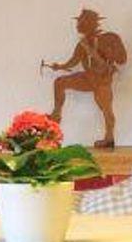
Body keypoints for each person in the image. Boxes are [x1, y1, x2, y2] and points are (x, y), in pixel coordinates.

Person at [44, 8, 126, 148]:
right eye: (78, 23)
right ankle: (56, 114)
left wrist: (91, 50)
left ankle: (109, 137)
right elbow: (74, 61)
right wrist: (60, 66)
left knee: (106, 109)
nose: (78, 26)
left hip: (102, 80)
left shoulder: (108, 39)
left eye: (81, 23)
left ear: (90, 23)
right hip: (88, 77)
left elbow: (118, 60)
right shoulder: (82, 44)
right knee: (60, 82)